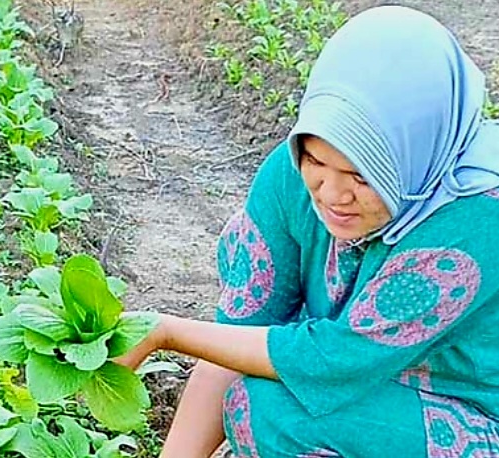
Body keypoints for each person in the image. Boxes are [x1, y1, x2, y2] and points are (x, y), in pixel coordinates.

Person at [115, 5, 499, 457]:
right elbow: (235, 339)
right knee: (257, 403)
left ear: (416, 152)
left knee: (280, 411)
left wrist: (165, 332)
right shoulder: (290, 175)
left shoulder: (475, 218)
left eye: (363, 175)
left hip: (467, 413)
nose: (332, 194)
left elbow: (333, 360)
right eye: (316, 162)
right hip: (357, 395)